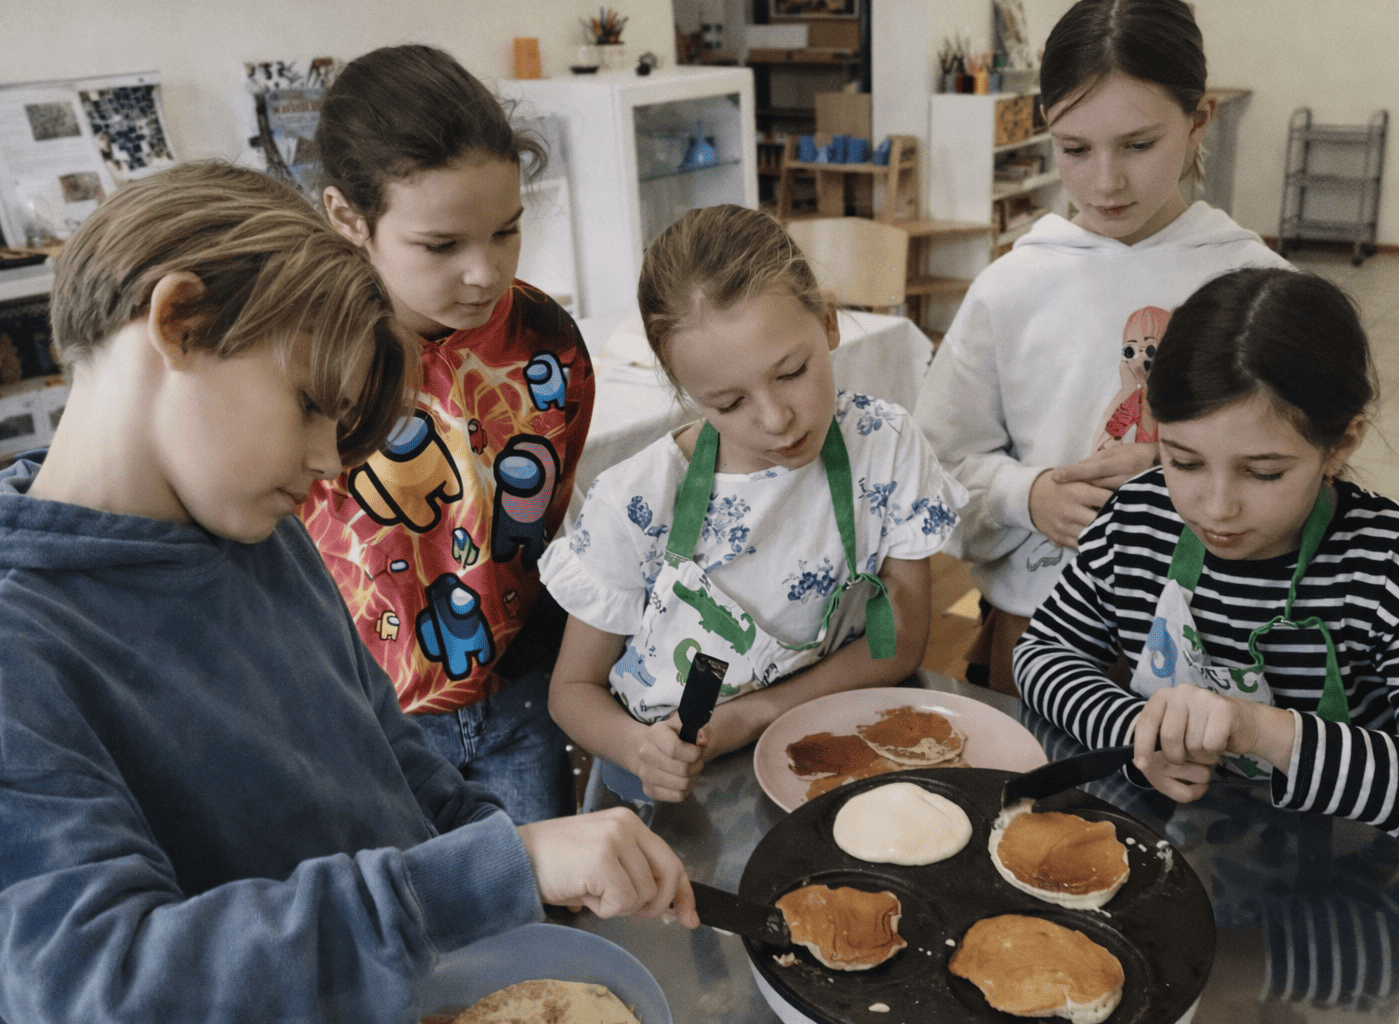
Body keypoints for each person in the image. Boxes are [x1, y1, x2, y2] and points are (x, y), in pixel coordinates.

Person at [0, 162, 695, 1024]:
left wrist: (508, 856)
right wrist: (489, 873)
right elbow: (90, 988)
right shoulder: (21, 647)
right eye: (307, 406)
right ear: (179, 322)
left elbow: (388, 752)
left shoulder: (263, 536)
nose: (332, 462)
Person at [1015, 267, 1399, 852]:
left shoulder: (1394, 566)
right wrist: (1136, 733)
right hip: (1176, 851)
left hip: (1343, 878)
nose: (1215, 507)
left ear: (1340, 445)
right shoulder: (1137, 519)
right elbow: (1043, 653)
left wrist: (1264, 731)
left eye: (1263, 472)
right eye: (1182, 462)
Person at [915, 0, 1291, 694]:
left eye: (1139, 144)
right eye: (1075, 148)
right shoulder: (1012, 285)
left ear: (1198, 120)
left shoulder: (1257, 286)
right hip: (1043, 629)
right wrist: (1028, 496)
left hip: (1222, 645)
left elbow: (1314, 467)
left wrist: (1186, 468)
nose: (1105, 181)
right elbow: (936, 461)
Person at [538, 205, 964, 803]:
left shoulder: (883, 448)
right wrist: (641, 749)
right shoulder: (636, 502)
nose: (775, 419)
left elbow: (896, 641)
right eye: (728, 403)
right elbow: (572, 689)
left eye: (791, 372)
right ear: (687, 390)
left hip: (815, 742)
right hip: (663, 783)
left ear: (830, 322)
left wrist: (754, 715)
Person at [301, 44, 591, 823]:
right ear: (346, 217)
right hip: (367, 726)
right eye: (441, 246)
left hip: (522, 700)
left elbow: (547, 521)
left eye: (506, 231)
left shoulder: (542, 340)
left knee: (530, 923)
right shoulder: (304, 363)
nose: (484, 273)